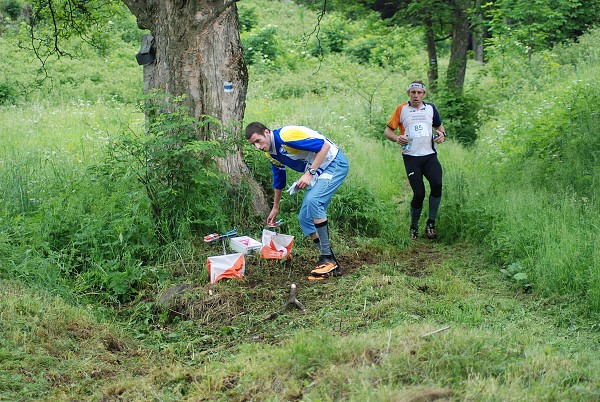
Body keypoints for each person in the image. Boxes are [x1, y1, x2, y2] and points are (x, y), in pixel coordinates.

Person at [245, 122, 349, 279]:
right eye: (254, 144)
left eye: (258, 141)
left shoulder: (286, 136)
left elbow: (325, 146)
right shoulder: (271, 153)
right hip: (319, 170)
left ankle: (327, 259)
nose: (258, 147)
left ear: (266, 132)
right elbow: (279, 178)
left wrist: (310, 173)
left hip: (334, 163)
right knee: (304, 218)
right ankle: (331, 263)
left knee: (314, 201)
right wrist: (275, 207)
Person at [384, 80, 446, 240]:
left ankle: (431, 223)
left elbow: (440, 127)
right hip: (411, 158)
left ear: (424, 94)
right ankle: (414, 226)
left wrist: (442, 135)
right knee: (419, 193)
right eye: (413, 92)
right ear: (408, 94)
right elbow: (388, 131)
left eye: (419, 92)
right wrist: (397, 138)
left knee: (437, 185)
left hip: (430, 156)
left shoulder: (431, 108)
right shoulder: (401, 109)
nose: (416, 95)